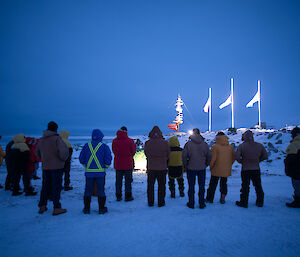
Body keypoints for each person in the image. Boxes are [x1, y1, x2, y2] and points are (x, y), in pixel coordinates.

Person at [36, 121, 69, 216]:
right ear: (55, 129)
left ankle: (42, 205)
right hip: (57, 166)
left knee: (45, 186)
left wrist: (44, 159)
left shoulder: (41, 140)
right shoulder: (57, 139)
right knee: (56, 187)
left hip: (45, 166)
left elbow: (37, 152)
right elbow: (63, 153)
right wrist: (62, 160)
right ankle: (56, 207)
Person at [79, 129, 112, 214]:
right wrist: (105, 166)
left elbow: (81, 159)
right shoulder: (104, 147)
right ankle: (101, 209)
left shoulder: (86, 146)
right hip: (100, 173)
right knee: (101, 190)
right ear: (101, 137)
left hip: (89, 173)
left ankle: (86, 209)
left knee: (88, 190)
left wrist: (87, 166)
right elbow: (108, 159)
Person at [235, 130, 268, 208]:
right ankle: (260, 201)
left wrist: (242, 161)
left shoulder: (242, 146)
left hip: (245, 169)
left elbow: (237, 157)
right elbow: (265, 156)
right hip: (256, 168)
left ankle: (244, 202)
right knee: (258, 185)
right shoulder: (259, 145)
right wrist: (258, 160)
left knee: (245, 186)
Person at [183, 128, 211, 209]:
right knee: (201, 186)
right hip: (202, 168)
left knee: (191, 186)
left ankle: (191, 203)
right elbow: (209, 155)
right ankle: (201, 203)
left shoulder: (188, 144)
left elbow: (184, 156)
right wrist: (206, 164)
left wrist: (185, 165)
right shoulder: (204, 144)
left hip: (191, 168)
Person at [144, 126, 170, 207]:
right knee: (161, 186)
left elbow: (146, 153)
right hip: (162, 167)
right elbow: (168, 154)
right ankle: (161, 202)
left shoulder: (148, 143)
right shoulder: (165, 143)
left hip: (151, 167)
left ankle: (150, 202)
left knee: (150, 186)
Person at [206, 132, 235, 204]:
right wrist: (228, 165)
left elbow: (213, 159)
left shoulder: (215, 147)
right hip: (226, 169)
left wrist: (211, 166)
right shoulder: (230, 147)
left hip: (216, 169)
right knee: (224, 184)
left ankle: (210, 198)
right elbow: (233, 158)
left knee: (213, 184)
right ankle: (222, 198)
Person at [112, 126, 136, 201]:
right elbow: (133, 151)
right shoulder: (130, 141)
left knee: (118, 181)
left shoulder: (115, 141)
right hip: (128, 164)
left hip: (118, 163)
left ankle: (118, 196)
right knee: (128, 180)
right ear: (126, 132)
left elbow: (114, 150)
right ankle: (128, 196)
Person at [284, 126, 300, 208]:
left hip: (297, 170)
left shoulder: (294, 144)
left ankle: (298, 201)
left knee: (297, 185)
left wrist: (287, 166)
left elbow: (290, 158)